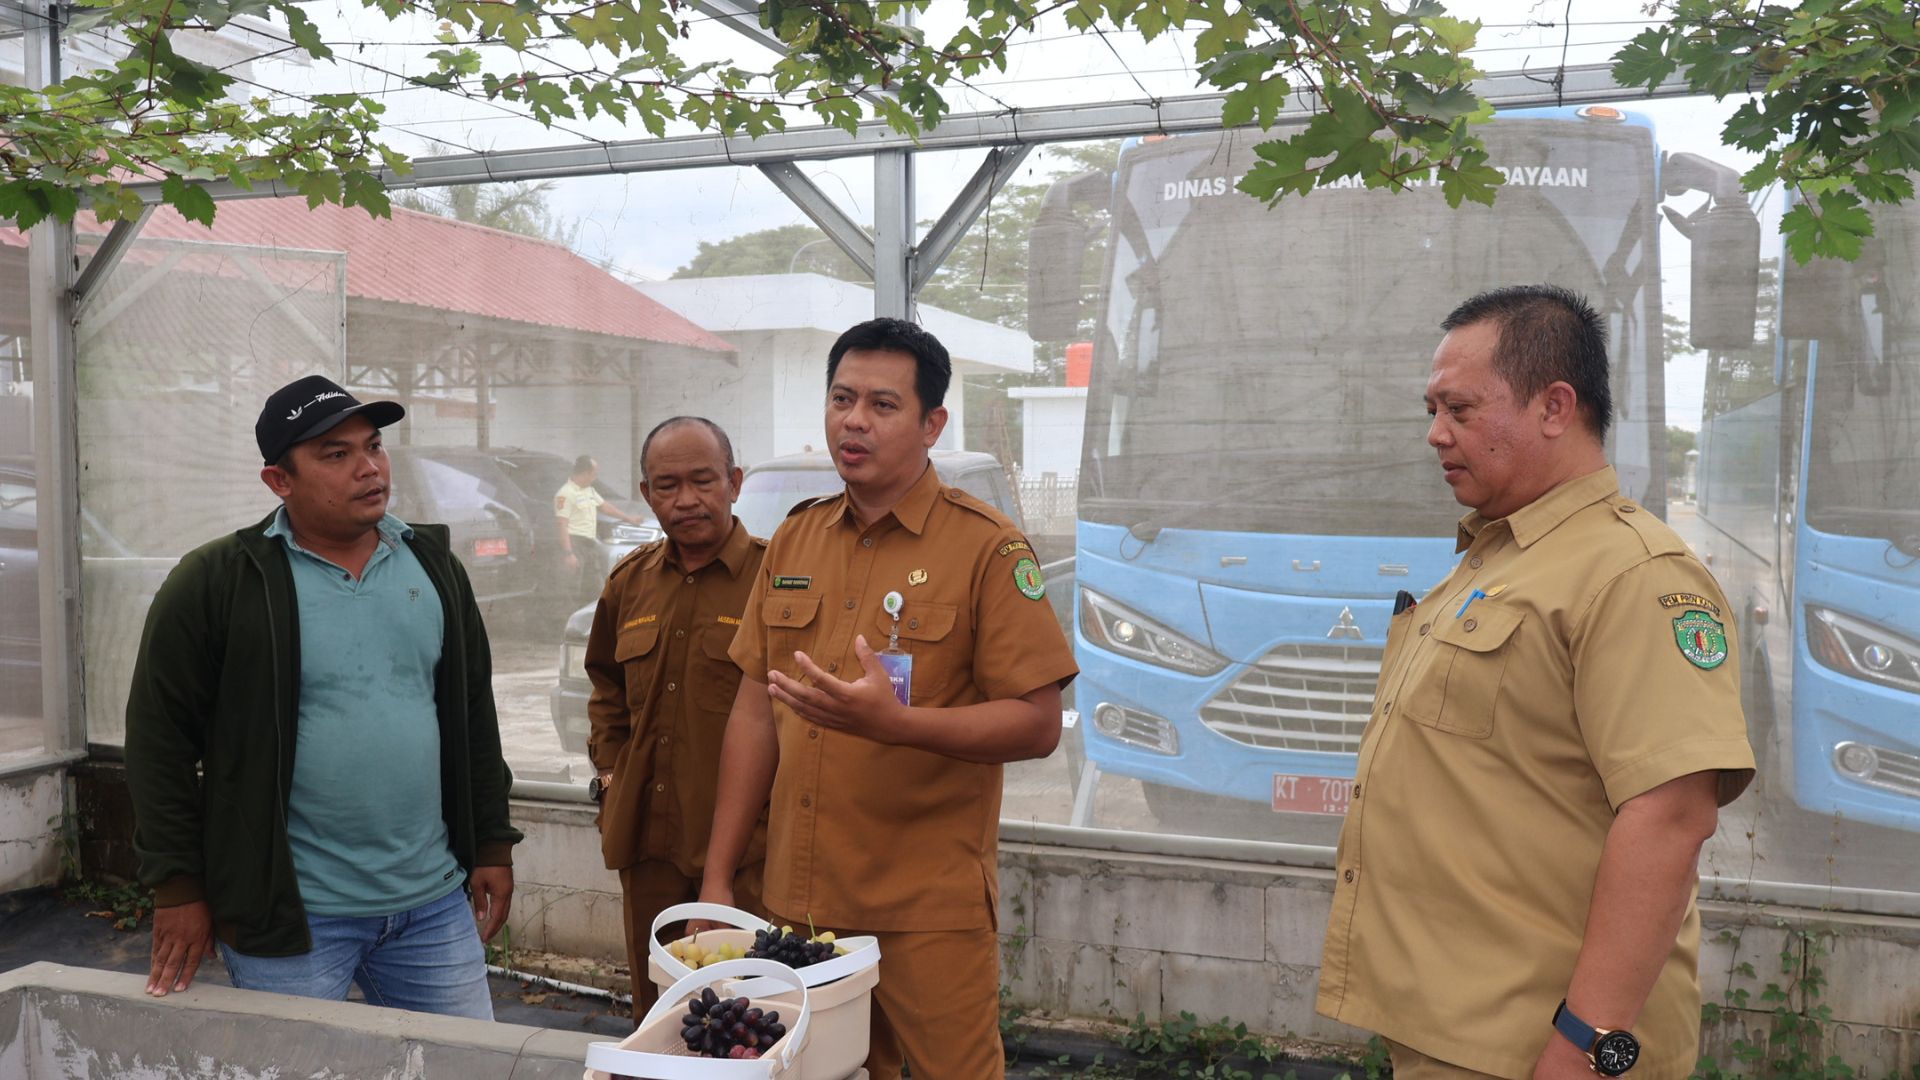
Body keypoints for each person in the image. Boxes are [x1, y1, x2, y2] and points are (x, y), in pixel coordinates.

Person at [1315, 286, 1755, 1080]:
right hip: (1457, 1028)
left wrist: (1589, 1049)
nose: (1435, 434)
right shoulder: (1501, 557)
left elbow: (1672, 817)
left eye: (1459, 409)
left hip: (1539, 1049)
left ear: (1556, 406)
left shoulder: (1633, 573)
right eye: (1432, 408)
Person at [699, 318, 1077, 1080]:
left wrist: (899, 725)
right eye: (842, 399)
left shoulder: (986, 548)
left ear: (932, 423)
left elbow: (1038, 724)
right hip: (801, 903)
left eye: (881, 404)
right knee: (819, 1074)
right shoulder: (797, 540)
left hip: (925, 908)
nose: (854, 421)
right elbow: (753, 714)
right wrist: (718, 876)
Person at [124, 374, 522, 1019]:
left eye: (374, 445)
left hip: (432, 904)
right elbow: (158, 744)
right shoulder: (219, 582)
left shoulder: (433, 566)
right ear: (279, 482)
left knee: (464, 1065)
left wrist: (492, 845)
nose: (369, 468)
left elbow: (473, 714)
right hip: (293, 913)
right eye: (335, 455)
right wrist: (177, 889)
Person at [585, 416, 770, 1015]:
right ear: (646, 494)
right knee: (659, 1013)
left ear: (734, 482)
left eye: (703, 481)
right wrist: (612, 776)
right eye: (667, 486)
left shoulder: (779, 583)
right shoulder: (629, 584)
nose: (685, 500)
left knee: (746, 1016)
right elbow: (607, 687)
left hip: (749, 854)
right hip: (650, 845)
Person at [555, 455, 649, 601]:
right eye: (594, 474)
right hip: (575, 545)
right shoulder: (566, 494)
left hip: (589, 545)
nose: (595, 477)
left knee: (595, 587)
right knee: (574, 588)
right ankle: (571, 620)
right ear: (585, 473)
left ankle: (593, 619)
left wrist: (629, 519)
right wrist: (568, 553)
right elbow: (562, 524)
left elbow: (605, 507)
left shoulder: (589, 491)